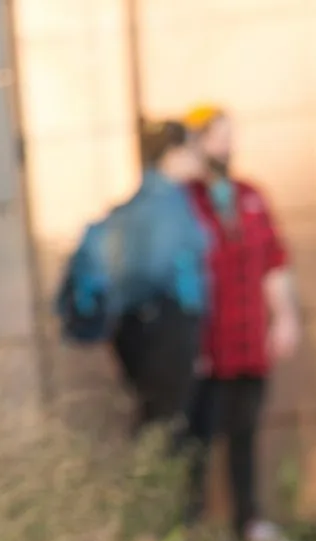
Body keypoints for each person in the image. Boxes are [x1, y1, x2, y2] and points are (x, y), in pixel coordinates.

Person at [181, 104, 300, 541]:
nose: (226, 146)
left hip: (249, 339)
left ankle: (247, 519)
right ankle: (189, 526)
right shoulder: (185, 201)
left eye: (229, 137)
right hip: (208, 344)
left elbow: (274, 262)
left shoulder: (251, 196)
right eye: (217, 137)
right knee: (198, 436)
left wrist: (284, 317)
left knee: (245, 431)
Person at [104, 121, 214, 439]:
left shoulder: (147, 201)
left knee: (158, 418)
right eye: (191, 150)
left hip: (144, 324)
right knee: (167, 425)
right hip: (166, 324)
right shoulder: (164, 204)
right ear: (171, 154)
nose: (198, 158)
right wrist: (189, 317)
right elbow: (160, 268)